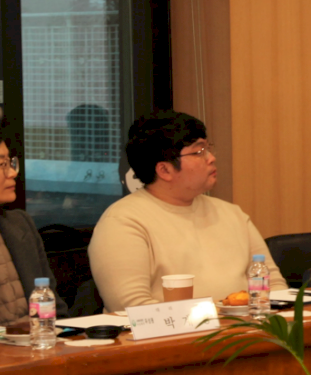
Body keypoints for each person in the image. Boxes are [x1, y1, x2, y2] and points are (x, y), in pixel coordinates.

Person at [90, 111, 287, 312]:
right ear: (164, 170)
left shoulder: (232, 214)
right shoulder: (122, 222)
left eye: (208, 148)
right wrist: (213, 320)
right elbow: (131, 308)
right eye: (198, 152)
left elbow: (273, 285)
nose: (211, 158)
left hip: (248, 327)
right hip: (175, 332)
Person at [0, 120, 66, 326]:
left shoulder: (19, 225)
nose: (12, 173)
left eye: (10, 163)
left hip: (39, 341)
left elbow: (54, 306)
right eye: (1, 165)